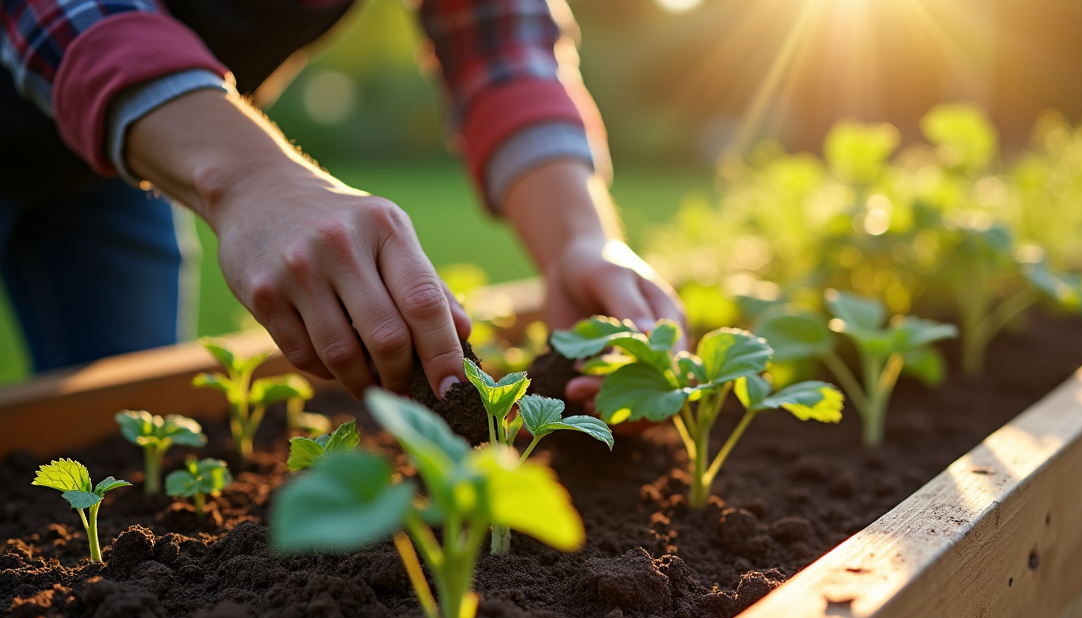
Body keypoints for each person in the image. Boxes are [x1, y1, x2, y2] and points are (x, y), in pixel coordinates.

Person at [0, 0, 684, 404]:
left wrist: (579, 238)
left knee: (114, 416)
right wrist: (247, 177)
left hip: (115, 159)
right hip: (117, 109)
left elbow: (497, 34)